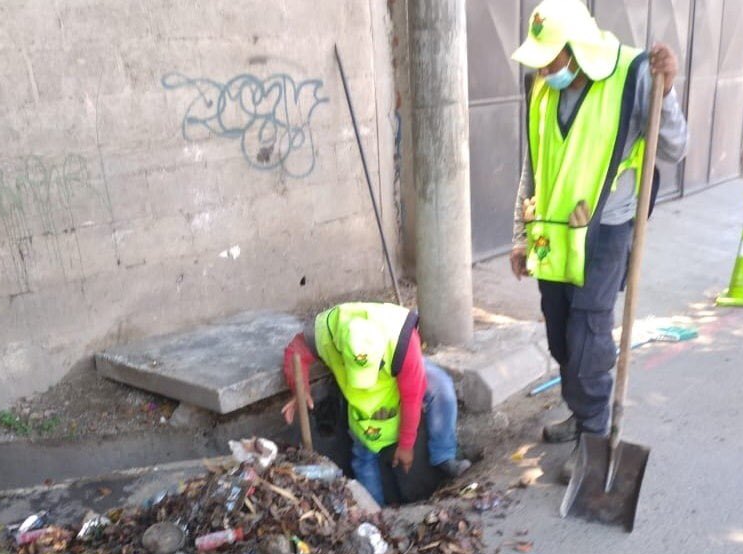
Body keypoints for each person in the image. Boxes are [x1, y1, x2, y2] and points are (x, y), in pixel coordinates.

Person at [509, 0, 688, 480]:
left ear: (579, 49)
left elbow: (674, 147)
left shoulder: (635, 74)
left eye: (552, 58)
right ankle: (579, 409)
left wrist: (665, 94)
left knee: (588, 333)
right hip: (552, 234)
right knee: (560, 328)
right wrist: (519, 236)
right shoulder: (541, 88)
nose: (545, 68)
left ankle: (592, 433)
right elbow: (533, 165)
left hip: (607, 229)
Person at [282, 301, 470, 505]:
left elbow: (412, 397)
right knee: (363, 453)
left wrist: (406, 445)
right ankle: (374, 511)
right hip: (361, 405)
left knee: (441, 386)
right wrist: (300, 389)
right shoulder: (326, 332)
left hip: (395, 370)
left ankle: (443, 456)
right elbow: (296, 350)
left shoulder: (401, 343)